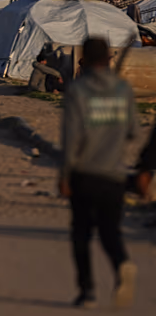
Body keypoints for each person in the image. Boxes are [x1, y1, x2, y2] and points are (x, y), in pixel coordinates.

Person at [61, 37, 138, 309]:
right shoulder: (123, 89)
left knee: (81, 233)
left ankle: (87, 290)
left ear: (85, 58)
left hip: (85, 173)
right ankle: (122, 263)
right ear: (107, 59)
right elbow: (132, 132)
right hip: (115, 175)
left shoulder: (78, 90)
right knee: (110, 231)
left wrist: (65, 176)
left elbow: (71, 138)